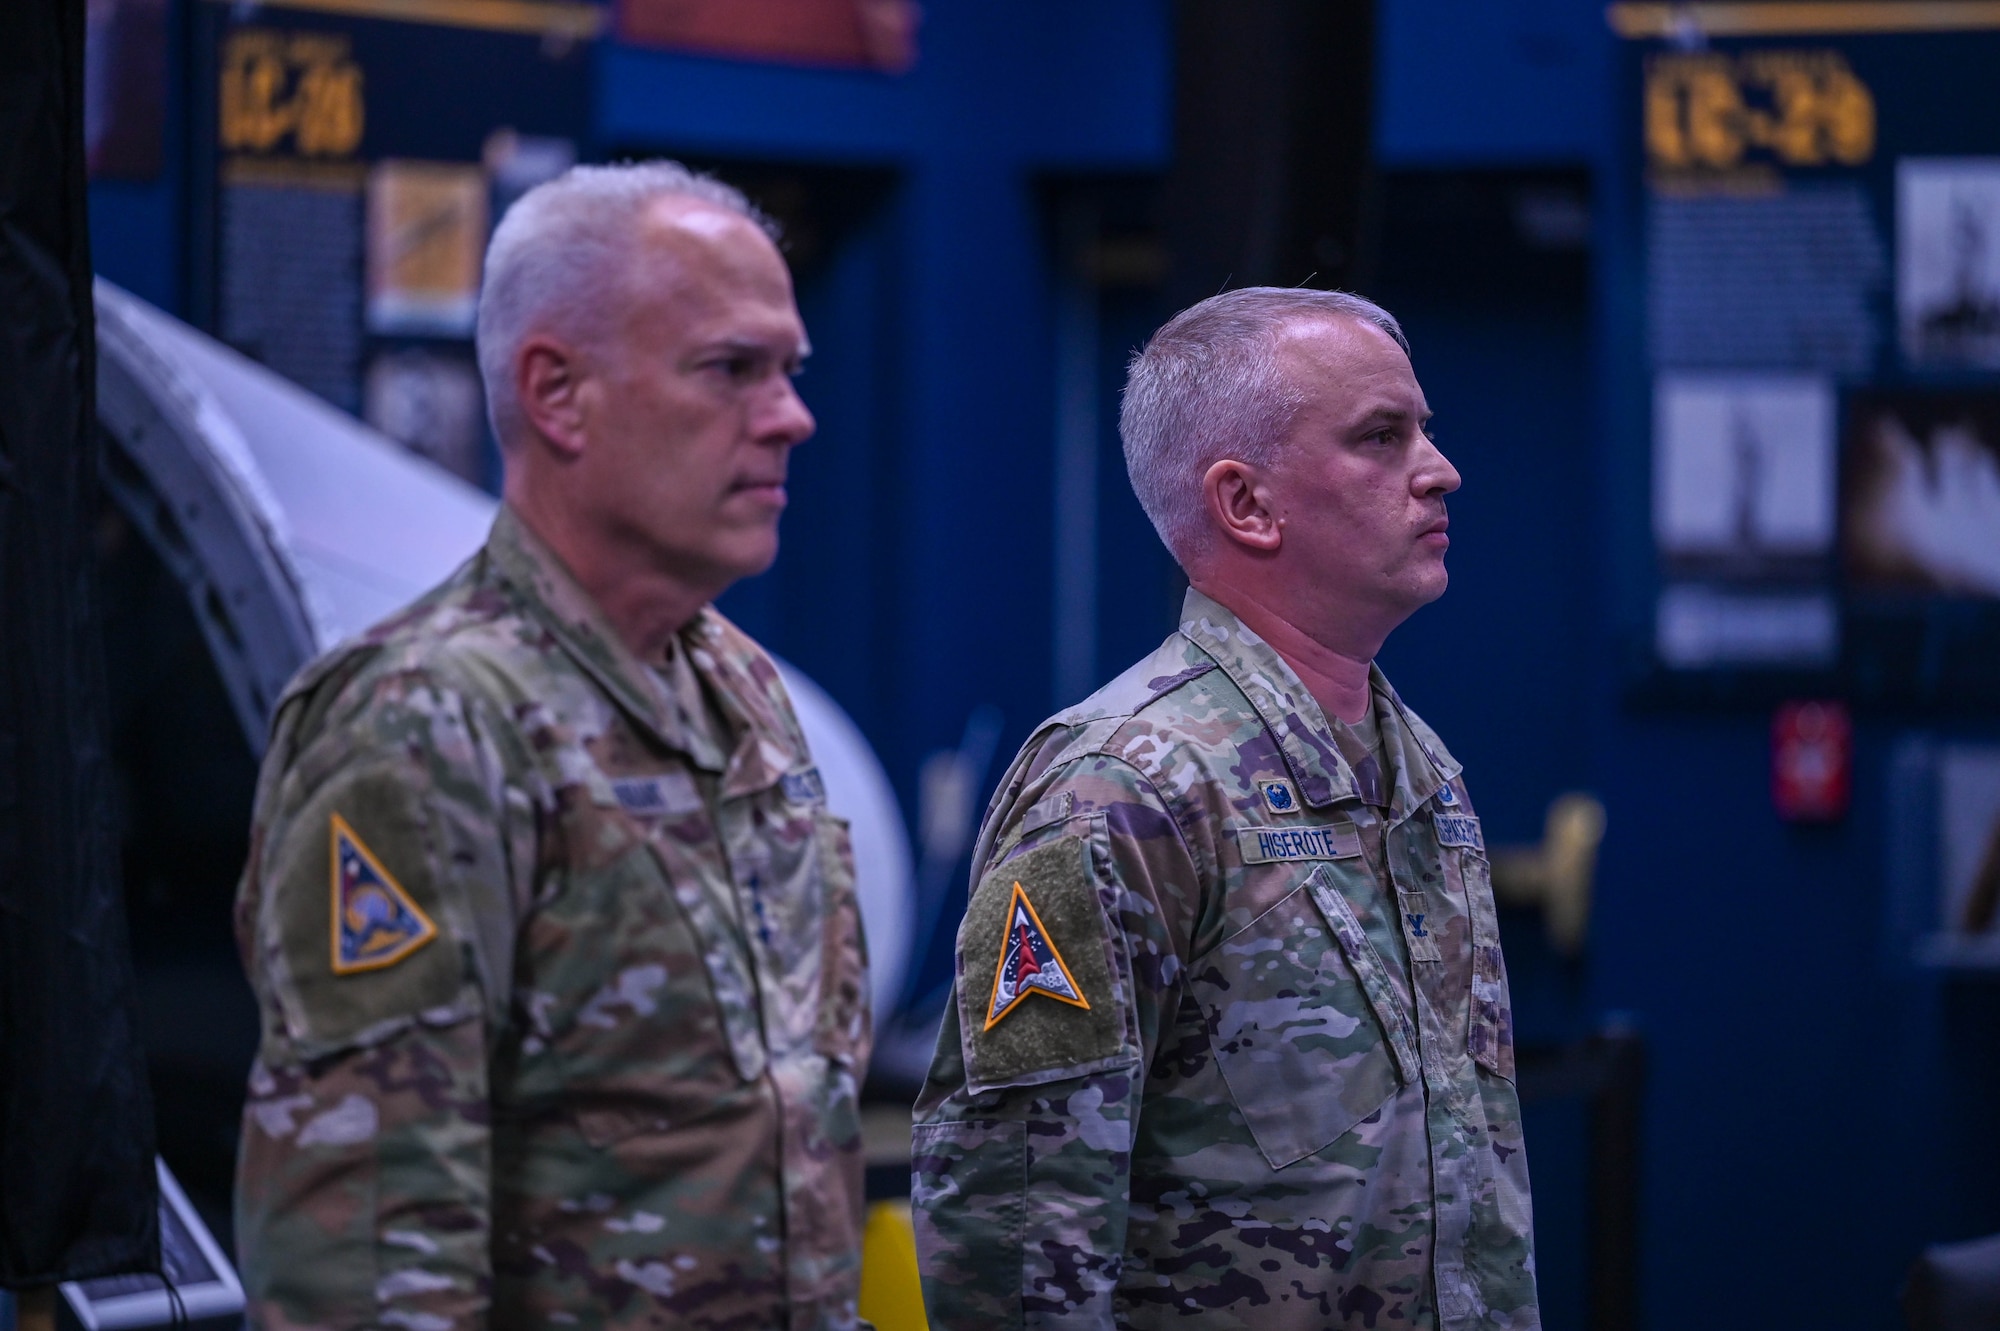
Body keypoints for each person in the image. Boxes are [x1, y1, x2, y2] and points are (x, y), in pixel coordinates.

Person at [232, 162, 871, 1330]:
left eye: (789, 370)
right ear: (558, 394)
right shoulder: (424, 719)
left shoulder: (740, 691)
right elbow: (370, 1249)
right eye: (730, 368)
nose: (791, 416)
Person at [911, 288, 1538, 1329]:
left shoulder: (1419, 766)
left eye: (1423, 430)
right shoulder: (1123, 787)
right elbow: (1012, 1227)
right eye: (1381, 437)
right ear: (1246, 504)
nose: (1439, 469)